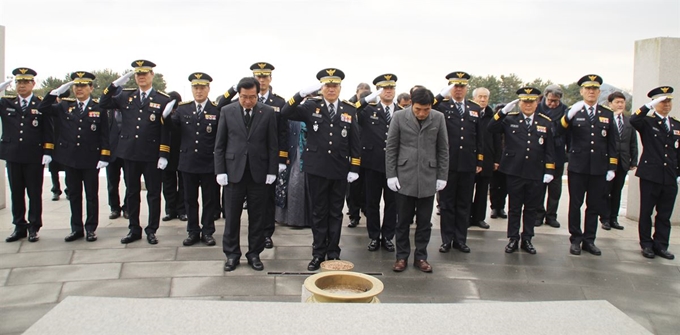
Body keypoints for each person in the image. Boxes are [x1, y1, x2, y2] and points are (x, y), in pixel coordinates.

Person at [282, 68, 361, 271]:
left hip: (339, 168)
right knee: (318, 213)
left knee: (335, 212)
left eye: (335, 86)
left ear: (340, 88)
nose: (331, 89)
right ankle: (318, 253)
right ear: (321, 88)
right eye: (327, 85)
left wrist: (355, 166)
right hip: (316, 168)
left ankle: (333, 252)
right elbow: (285, 112)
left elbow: (355, 141)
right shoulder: (310, 107)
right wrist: (301, 94)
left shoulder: (349, 109)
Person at [99, 60, 175, 245]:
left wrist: (164, 154)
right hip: (130, 153)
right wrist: (115, 85)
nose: (141, 77)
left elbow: (166, 129)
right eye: (138, 74)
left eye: (145, 74)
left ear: (152, 76)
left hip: (151, 155)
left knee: (154, 194)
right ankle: (134, 228)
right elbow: (104, 102)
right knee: (132, 193)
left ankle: (151, 230)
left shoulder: (162, 99)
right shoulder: (126, 96)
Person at [215, 77, 278, 271]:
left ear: (257, 95)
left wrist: (272, 171)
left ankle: (254, 254)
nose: (248, 101)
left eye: (252, 97)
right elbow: (220, 145)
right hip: (234, 172)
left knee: (257, 217)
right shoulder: (227, 111)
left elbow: (273, 145)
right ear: (239, 94)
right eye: (244, 97)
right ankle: (232, 254)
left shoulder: (267, 112)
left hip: (258, 173)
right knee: (232, 217)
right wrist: (220, 171)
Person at [38, 71, 110, 242]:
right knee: (75, 195)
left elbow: (104, 134)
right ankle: (76, 228)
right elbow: (43, 109)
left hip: (91, 158)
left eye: (83, 85)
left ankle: (91, 228)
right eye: (76, 86)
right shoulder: (64, 106)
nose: (79, 89)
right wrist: (55, 92)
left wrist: (104, 156)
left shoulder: (98, 107)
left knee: (91, 195)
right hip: (70, 158)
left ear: (91, 88)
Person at [386, 87, 448, 272]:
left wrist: (442, 176)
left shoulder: (438, 118)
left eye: (426, 109)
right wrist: (391, 174)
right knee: (402, 221)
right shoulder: (399, 117)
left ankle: (421, 257)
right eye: (418, 109)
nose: (422, 113)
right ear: (412, 104)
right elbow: (391, 147)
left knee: (424, 222)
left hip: (428, 177)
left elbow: (443, 149)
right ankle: (401, 257)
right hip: (405, 176)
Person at [488, 87, 555, 254]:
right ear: (520, 102)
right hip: (514, 170)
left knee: (532, 208)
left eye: (531, 101)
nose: (528, 105)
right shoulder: (510, 119)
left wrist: (549, 170)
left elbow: (550, 149)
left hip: (535, 171)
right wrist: (502, 112)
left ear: (537, 102)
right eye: (525, 101)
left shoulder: (545, 122)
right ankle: (513, 238)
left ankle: (527, 238)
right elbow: (491, 127)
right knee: (514, 207)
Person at [557, 74, 617, 256]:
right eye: (587, 89)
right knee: (576, 204)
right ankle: (575, 238)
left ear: (599, 92)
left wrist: (612, 166)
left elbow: (612, 142)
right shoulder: (574, 111)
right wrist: (568, 116)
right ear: (581, 91)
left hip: (599, 167)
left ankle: (589, 240)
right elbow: (558, 132)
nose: (591, 92)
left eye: (594, 89)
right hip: (578, 166)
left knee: (594, 205)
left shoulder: (607, 113)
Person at [166, 73, 220, 247]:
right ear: (192, 89)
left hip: (208, 162)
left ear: (208, 89)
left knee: (210, 199)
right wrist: (165, 117)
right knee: (189, 199)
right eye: (196, 88)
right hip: (188, 162)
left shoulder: (215, 109)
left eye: (202, 88)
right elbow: (173, 129)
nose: (199, 91)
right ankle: (193, 231)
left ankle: (208, 231)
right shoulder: (183, 109)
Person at [1, 68, 53, 243]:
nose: (21, 86)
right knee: (16, 193)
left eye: (25, 82)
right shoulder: (7, 103)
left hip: (33, 156)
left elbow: (48, 130)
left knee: (34, 193)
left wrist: (47, 151)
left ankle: (34, 226)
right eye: (18, 82)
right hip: (13, 155)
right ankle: (19, 226)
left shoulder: (40, 104)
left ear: (33, 84)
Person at [433, 72, 484, 254]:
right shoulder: (442, 106)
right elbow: (428, 104)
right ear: (450, 88)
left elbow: (479, 136)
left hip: (468, 163)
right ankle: (447, 240)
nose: (459, 89)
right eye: (455, 86)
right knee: (446, 204)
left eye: (462, 86)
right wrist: (441, 94)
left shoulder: (474, 108)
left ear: (467, 88)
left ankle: (460, 240)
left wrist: (479, 159)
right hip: (448, 163)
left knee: (464, 204)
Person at [354, 74, 401, 252]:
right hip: (372, 164)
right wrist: (366, 99)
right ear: (378, 91)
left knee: (392, 203)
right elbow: (353, 109)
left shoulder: (402, 111)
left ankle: (388, 237)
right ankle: (374, 236)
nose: (388, 91)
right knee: (372, 202)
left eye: (391, 88)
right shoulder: (368, 110)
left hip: (394, 166)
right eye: (384, 88)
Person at [630, 86, 676, 260]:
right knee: (646, 212)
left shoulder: (676, 124)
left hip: (670, 175)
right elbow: (634, 119)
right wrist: (649, 106)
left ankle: (661, 245)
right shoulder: (647, 122)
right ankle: (647, 244)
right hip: (651, 174)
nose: (666, 104)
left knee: (664, 214)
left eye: (668, 101)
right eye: (662, 101)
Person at [601, 92, 637, 230]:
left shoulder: (628, 122)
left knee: (617, 191)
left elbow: (633, 143)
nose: (620, 104)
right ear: (610, 104)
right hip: (608, 161)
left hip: (623, 162)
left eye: (622, 102)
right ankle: (604, 218)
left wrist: (634, 160)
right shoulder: (605, 120)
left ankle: (613, 218)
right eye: (617, 102)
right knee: (605, 191)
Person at [535, 84, 568, 228]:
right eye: (550, 100)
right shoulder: (537, 108)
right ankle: (538, 214)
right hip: (539, 151)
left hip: (557, 151)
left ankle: (551, 215)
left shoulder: (565, 110)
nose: (552, 104)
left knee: (555, 187)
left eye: (556, 101)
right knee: (538, 186)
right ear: (545, 97)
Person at [470, 87, 501, 229]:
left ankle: (479, 218)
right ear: (474, 98)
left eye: (485, 97)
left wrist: (497, 160)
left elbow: (497, 139)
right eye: (480, 97)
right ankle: (467, 217)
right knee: (467, 190)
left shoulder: (492, 116)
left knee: (482, 191)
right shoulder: (469, 113)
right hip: (471, 157)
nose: (482, 100)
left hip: (487, 158)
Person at [162, 91, 187, 223]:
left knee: (183, 185)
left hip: (181, 154)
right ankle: (170, 210)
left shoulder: (182, 114)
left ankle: (182, 210)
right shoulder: (164, 115)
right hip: (167, 154)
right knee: (168, 184)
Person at [106, 86, 128, 220]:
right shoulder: (107, 111)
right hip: (111, 152)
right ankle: (114, 207)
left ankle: (127, 208)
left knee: (130, 183)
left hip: (126, 152)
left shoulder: (129, 111)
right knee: (112, 183)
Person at [489, 104, 508, 220]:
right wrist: (495, 160)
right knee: (494, 186)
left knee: (505, 186)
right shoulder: (494, 127)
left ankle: (501, 207)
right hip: (496, 160)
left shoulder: (508, 125)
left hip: (507, 161)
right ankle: (494, 207)